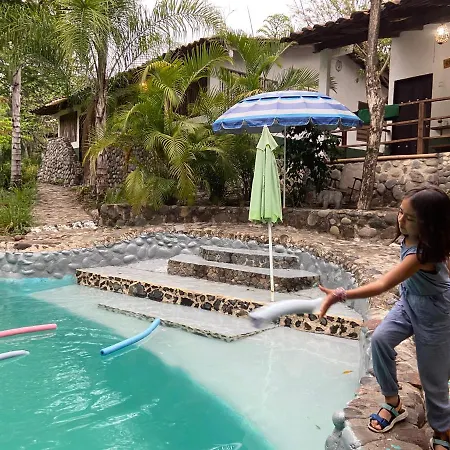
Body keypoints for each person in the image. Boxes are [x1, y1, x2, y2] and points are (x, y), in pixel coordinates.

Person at [318, 186, 450, 450]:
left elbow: (382, 285)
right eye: (400, 212)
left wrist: (340, 294)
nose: (401, 220)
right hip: (409, 302)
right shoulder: (410, 239)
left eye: (409, 218)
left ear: (429, 225)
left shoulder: (422, 254)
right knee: (379, 340)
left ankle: (442, 430)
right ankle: (393, 403)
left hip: (435, 315)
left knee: (433, 379)